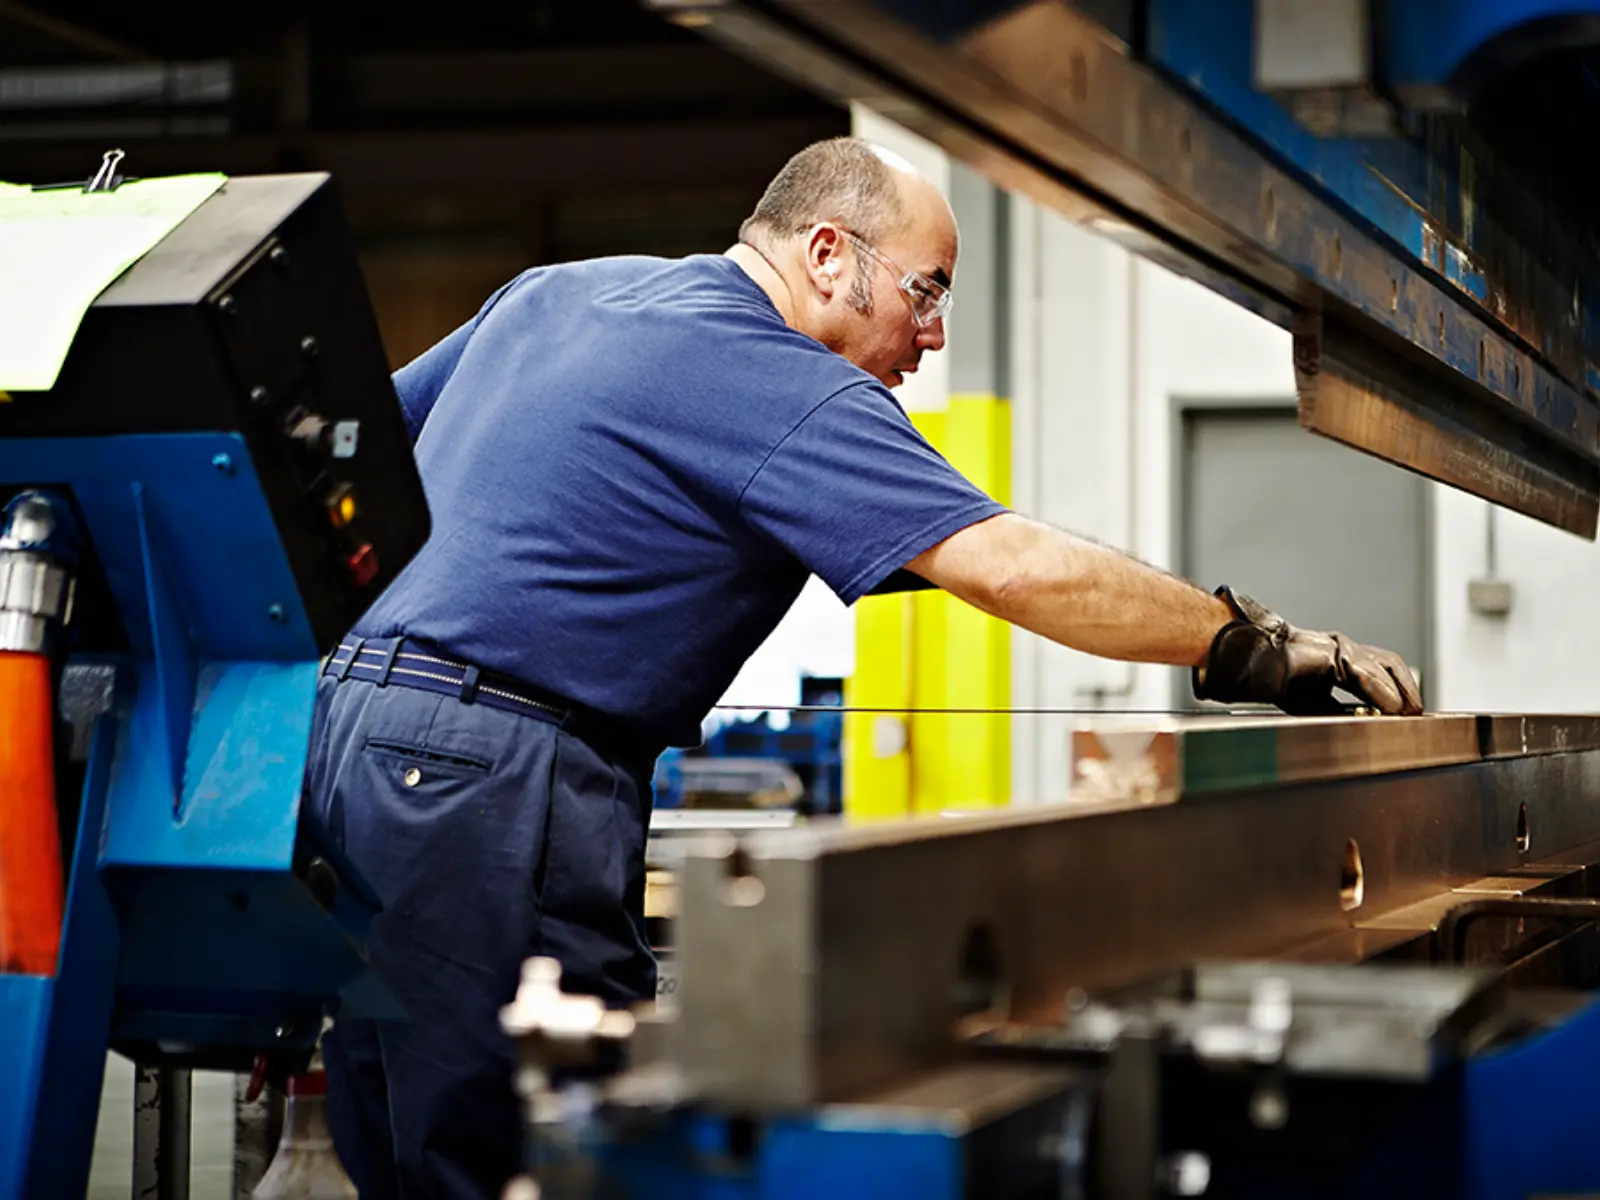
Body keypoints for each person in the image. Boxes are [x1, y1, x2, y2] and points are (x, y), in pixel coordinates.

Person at [303, 135, 1422, 1199]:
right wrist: (1260, 647)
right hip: (494, 781)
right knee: (543, 1150)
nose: (931, 337)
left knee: (401, 1139)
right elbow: (1016, 565)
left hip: (344, 746)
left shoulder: (557, 290)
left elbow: (344, 459)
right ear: (827, 255)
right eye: (926, 290)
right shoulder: (774, 375)